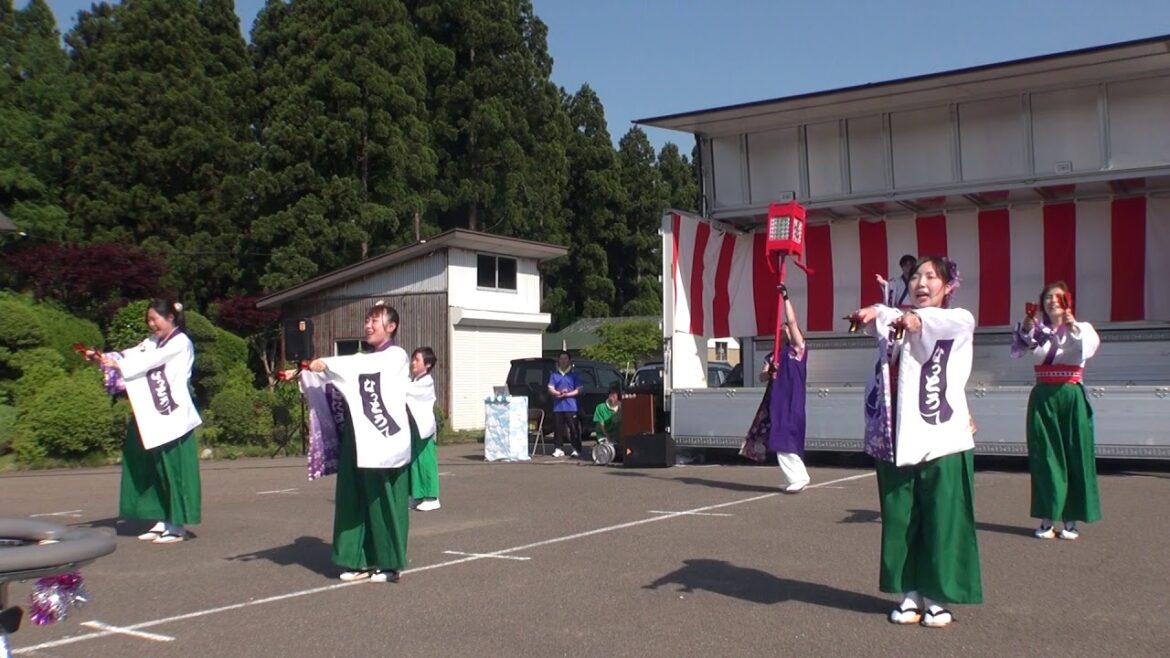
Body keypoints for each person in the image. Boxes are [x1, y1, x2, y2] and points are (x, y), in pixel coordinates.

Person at [849, 256, 981, 628]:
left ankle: (938, 596)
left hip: (943, 438)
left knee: (943, 518)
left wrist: (917, 320)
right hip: (896, 439)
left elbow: (940, 323)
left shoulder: (958, 319)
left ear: (946, 286)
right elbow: (881, 312)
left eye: (931, 276)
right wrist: (869, 312)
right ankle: (909, 593)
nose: (921, 282)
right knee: (899, 517)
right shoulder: (896, 319)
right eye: (916, 277)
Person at [287, 302, 411, 582]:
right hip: (359, 438)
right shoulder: (364, 358)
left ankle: (388, 562)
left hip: (383, 442)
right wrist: (308, 370)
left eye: (375, 321)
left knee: (382, 502)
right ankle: (355, 559)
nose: (368, 325)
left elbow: (360, 366)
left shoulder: (396, 356)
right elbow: (347, 372)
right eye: (367, 320)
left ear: (391, 327)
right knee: (351, 498)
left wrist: (327, 363)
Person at [97, 299, 202, 545]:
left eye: (155, 319)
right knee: (153, 468)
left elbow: (149, 363)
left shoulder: (180, 342)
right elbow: (133, 354)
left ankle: (178, 524)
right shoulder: (153, 342)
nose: (151, 324)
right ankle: (162, 517)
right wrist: (106, 358)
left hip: (173, 414)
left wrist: (119, 364)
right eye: (149, 320)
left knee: (174, 470)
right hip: (153, 415)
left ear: (171, 318)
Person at [1012, 282, 1101, 540]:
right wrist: (1028, 326)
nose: (1052, 301)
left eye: (1058, 297)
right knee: (1045, 458)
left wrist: (1071, 325)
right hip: (1043, 397)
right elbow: (1022, 347)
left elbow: (1087, 348)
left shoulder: (1083, 328)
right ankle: (1047, 517)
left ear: (1067, 301)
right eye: (1048, 297)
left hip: (1071, 395)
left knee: (1075, 455)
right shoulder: (1038, 331)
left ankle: (1071, 520)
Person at [767, 284, 810, 493]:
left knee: (788, 436)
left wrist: (786, 297)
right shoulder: (776, 353)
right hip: (779, 399)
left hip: (794, 398)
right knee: (780, 436)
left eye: (786, 328)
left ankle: (798, 476)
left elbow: (792, 321)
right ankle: (797, 475)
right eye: (781, 328)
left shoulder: (799, 349)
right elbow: (763, 373)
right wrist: (770, 371)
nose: (784, 329)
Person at [407, 347, 440, 512]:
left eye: (417, 360)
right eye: (413, 359)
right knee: (414, 461)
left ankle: (432, 497)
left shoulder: (426, 381)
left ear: (427, 365)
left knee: (426, 462)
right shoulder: (413, 380)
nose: (413, 362)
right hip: (413, 427)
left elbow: (408, 392)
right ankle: (418, 496)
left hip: (424, 428)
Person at [547, 350, 582, 458]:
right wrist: (559, 393)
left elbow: (579, 389)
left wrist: (567, 394)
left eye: (565, 358)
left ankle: (576, 449)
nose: (563, 361)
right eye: (561, 359)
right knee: (558, 429)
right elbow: (550, 388)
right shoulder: (554, 374)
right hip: (558, 407)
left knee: (573, 428)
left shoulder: (574, 374)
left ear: (569, 360)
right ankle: (558, 448)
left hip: (571, 406)